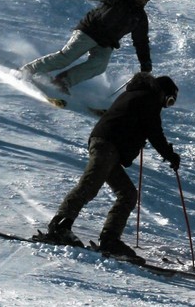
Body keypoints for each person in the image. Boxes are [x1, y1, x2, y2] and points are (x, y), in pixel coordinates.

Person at [38, 73, 181, 260]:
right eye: (169, 101)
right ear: (163, 93)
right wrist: (170, 156)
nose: (165, 105)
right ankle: (59, 227)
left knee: (128, 194)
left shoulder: (137, 95)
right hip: (107, 145)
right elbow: (155, 132)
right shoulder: (148, 98)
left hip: (108, 146)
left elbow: (133, 122)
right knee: (90, 184)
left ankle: (110, 239)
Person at [19, 0, 154, 93]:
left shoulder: (140, 17)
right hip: (90, 31)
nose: (143, 1)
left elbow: (141, 41)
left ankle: (62, 82)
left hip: (106, 42)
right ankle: (29, 70)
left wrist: (145, 62)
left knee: (99, 65)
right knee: (66, 57)